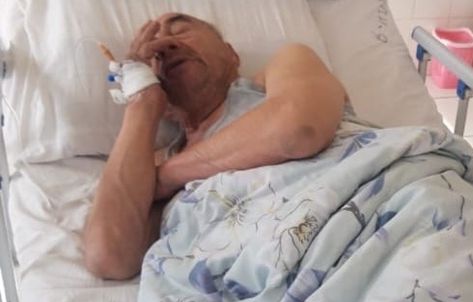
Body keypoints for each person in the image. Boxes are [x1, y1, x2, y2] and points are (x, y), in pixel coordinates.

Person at [83, 13, 347, 280]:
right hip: (282, 284)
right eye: (152, 55)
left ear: (231, 54)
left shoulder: (283, 67)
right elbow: (108, 256)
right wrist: (143, 101)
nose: (164, 46)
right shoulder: (147, 165)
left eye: (180, 31)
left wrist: (167, 176)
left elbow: (299, 129)